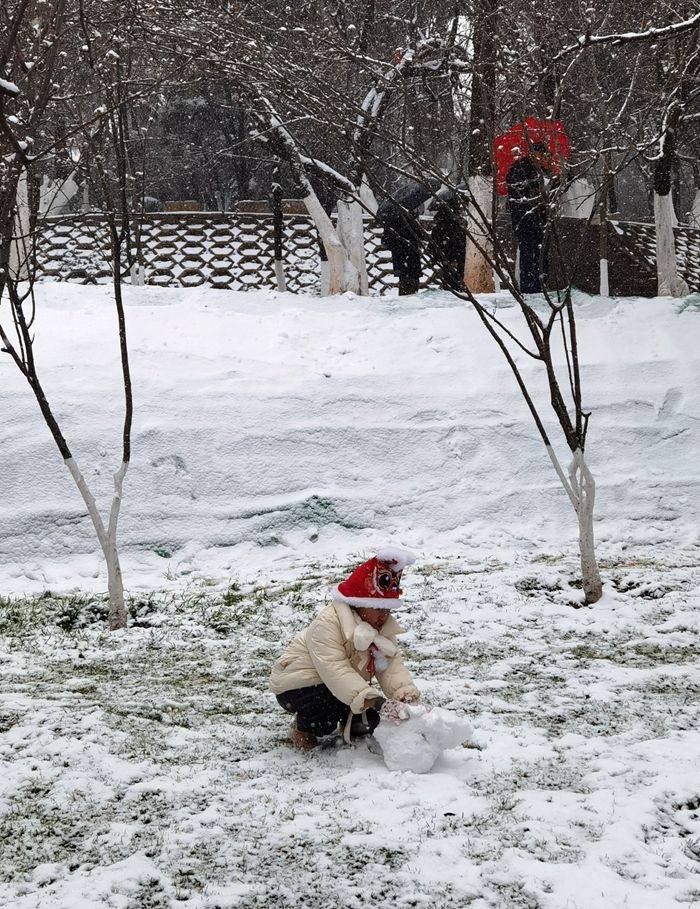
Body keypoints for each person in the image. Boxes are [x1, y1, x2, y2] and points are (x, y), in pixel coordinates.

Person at [269, 548, 420, 750]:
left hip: (337, 685)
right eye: (377, 609)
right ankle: (304, 727)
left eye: (387, 609)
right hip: (298, 684)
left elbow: (390, 665)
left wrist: (405, 696)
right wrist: (375, 701)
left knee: (369, 723)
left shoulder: (380, 628)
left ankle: (351, 717)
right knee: (325, 712)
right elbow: (335, 671)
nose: (383, 616)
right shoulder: (327, 624)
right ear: (358, 604)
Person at [506, 141, 553, 294]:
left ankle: (541, 285)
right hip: (524, 219)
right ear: (534, 154)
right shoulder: (520, 168)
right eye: (541, 155)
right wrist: (534, 188)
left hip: (540, 218)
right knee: (528, 253)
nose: (543, 158)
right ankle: (529, 287)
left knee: (542, 252)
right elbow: (516, 191)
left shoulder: (543, 171)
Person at [376, 199, 424, 295]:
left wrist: (396, 244)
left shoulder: (391, 219)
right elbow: (420, 235)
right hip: (411, 256)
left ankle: (405, 300)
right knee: (412, 282)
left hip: (400, 258)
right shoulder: (410, 218)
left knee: (405, 283)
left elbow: (385, 240)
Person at [429, 192, 466, 290]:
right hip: (454, 251)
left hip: (447, 251)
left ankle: (452, 287)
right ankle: (456, 287)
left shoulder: (440, 218)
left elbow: (435, 236)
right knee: (456, 276)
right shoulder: (453, 219)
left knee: (449, 275)